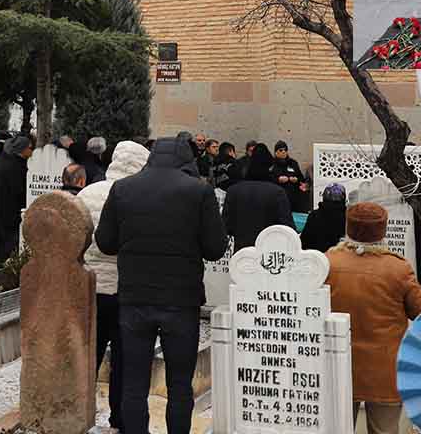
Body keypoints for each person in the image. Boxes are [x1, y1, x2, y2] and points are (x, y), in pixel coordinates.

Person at [96, 137, 228, 434]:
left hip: (135, 298)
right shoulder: (199, 191)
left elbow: (105, 242)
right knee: (180, 385)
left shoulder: (123, 189)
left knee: (134, 382)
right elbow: (215, 248)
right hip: (181, 300)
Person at [326, 202, 421, 434]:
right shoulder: (398, 268)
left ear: (349, 227)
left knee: (336, 428)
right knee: (384, 430)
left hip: (339, 367)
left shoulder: (328, 264)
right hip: (385, 369)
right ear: (382, 230)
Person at [78, 140, 149, 433]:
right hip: (124, 289)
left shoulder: (87, 193)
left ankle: (78, 412)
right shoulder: (141, 198)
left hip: (89, 286)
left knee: (87, 355)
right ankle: (119, 417)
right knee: (124, 359)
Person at [223, 143, 293, 251]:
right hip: (270, 254)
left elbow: (226, 225)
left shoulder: (233, 191)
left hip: (242, 255)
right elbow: (287, 228)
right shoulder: (277, 192)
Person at [0, 135, 32, 262]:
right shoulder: (15, 167)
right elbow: (19, 191)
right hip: (12, 212)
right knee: (11, 247)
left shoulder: (0, 162)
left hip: (0, 209)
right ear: (22, 149)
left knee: (5, 243)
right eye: (30, 148)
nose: (32, 151)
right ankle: (9, 273)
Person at [301, 183, 347, 253]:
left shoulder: (314, 215)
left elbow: (304, 241)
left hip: (316, 258)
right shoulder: (348, 217)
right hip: (340, 259)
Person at [270, 141, 309, 213]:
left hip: (292, 196)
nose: (283, 152)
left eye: (285, 150)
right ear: (276, 152)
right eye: (281, 150)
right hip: (277, 196)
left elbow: (301, 178)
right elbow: (268, 179)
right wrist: (278, 179)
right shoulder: (271, 164)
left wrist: (296, 179)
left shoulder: (293, 163)